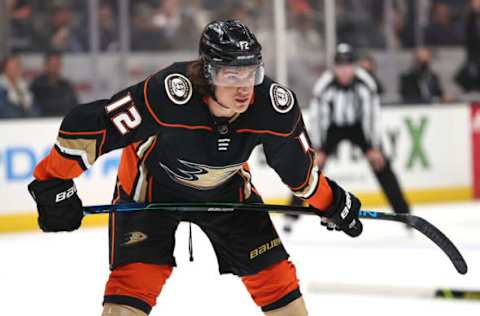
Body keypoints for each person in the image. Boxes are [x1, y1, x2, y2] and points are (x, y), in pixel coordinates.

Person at [27, 20, 363, 316]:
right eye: (231, 74)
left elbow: (299, 173)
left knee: (278, 282)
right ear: (208, 73)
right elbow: (90, 124)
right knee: (130, 290)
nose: (244, 86)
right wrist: (52, 181)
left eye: (251, 72)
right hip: (151, 191)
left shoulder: (273, 107)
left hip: (227, 192)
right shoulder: (169, 94)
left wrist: (331, 202)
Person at [284, 43, 410, 233]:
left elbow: (372, 116)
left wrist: (374, 146)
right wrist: (318, 147)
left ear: (354, 66)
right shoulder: (324, 86)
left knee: (381, 163)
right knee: (310, 168)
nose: (344, 71)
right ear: (334, 67)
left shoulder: (366, 83)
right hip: (332, 128)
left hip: (359, 127)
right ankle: (291, 216)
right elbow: (318, 118)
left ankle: (404, 215)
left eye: (348, 66)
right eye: (340, 66)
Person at [30, 51, 79, 116]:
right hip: (44, 123)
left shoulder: (67, 85)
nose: (55, 68)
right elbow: (39, 108)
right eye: (52, 65)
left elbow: (75, 106)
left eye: (57, 65)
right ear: (46, 65)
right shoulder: (37, 86)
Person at [0, 54, 38, 118]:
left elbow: (35, 108)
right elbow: (4, 111)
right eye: (12, 68)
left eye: (18, 67)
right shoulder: (1, 88)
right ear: (5, 69)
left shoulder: (25, 86)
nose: (15, 70)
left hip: (28, 123)